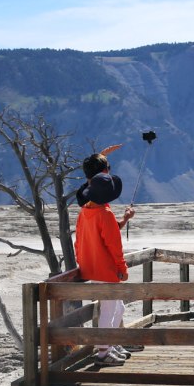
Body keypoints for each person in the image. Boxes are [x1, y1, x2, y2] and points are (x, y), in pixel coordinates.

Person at [74, 153, 136, 366]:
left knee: (117, 308)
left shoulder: (86, 211)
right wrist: (123, 268)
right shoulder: (105, 214)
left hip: (91, 267)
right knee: (110, 309)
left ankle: (111, 343)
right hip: (107, 270)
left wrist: (124, 220)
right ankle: (103, 352)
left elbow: (82, 239)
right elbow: (114, 246)